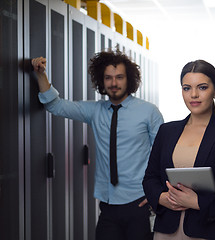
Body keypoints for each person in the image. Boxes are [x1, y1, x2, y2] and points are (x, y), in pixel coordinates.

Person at [32, 49, 164, 240]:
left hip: (140, 203)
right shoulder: (95, 111)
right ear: (101, 81)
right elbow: (55, 105)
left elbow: (163, 154)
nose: (114, 83)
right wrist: (41, 74)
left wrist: (157, 194)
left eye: (119, 77)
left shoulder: (149, 112)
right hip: (108, 205)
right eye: (108, 78)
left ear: (129, 79)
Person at [142, 60, 215, 240]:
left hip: (210, 231)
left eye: (202, 87)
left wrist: (198, 202)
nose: (193, 94)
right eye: (187, 88)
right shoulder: (167, 131)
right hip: (167, 230)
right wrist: (161, 198)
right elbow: (150, 178)